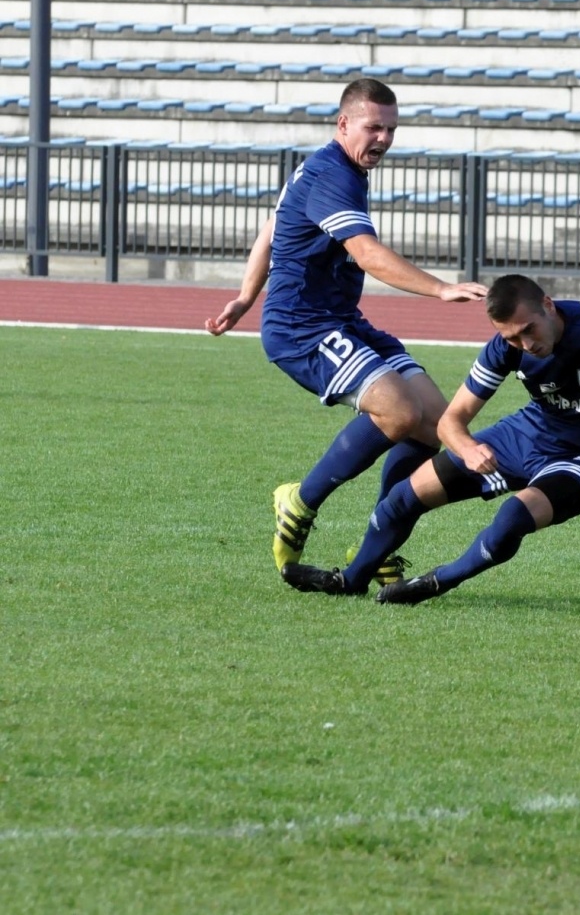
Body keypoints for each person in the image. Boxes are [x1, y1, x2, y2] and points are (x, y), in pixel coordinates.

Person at [279, 273, 580, 603]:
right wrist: (468, 448)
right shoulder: (506, 346)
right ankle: (351, 581)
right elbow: (451, 420)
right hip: (525, 435)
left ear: (548, 305)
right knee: (402, 497)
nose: (524, 344)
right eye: (512, 337)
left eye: (529, 330)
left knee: (513, 517)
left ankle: (437, 582)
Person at [206, 78, 489, 581]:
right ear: (344, 124)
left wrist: (246, 297)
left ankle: (378, 546)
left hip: (340, 320)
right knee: (399, 411)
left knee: (436, 424)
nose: (383, 138)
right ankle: (300, 499)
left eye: (391, 129)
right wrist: (440, 288)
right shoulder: (333, 174)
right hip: (301, 325)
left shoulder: (333, 168)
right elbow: (367, 254)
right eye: (373, 127)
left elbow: (272, 228)